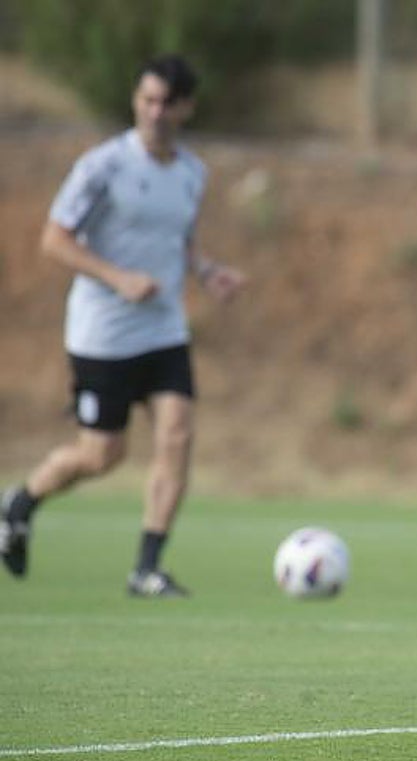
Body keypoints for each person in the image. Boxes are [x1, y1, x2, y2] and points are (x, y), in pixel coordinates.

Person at [0, 54, 247, 597]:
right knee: (102, 455)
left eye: (166, 102)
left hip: (163, 330)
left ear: (186, 108)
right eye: (146, 99)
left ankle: (147, 569)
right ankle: (20, 502)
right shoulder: (103, 166)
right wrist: (117, 277)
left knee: (177, 433)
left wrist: (207, 271)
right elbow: (54, 239)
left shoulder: (191, 173)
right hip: (102, 334)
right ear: (137, 101)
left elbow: (177, 240)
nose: (154, 111)